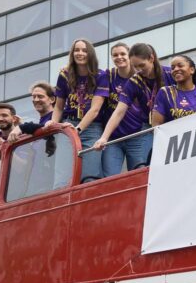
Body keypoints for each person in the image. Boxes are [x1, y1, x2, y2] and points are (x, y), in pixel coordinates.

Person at [94, 43, 174, 175]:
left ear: (151, 58)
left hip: (173, 124)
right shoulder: (134, 81)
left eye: (142, 65)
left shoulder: (169, 73)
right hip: (149, 128)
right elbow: (119, 111)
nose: (138, 70)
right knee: (142, 169)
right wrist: (104, 137)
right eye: (135, 66)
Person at [50, 38, 108, 183]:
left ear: (90, 54)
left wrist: (78, 129)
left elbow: (95, 109)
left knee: (90, 176)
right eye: (76, 50)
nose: (80, 53)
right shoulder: (64, 75)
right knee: (62, 178)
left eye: (84, 50)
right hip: (68, 125)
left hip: (92, 128)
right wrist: (53, 125)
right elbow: (58, 106)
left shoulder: (101, 76)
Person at [151, 55, 196, 125]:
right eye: (172, 68)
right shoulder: (165, 92)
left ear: (192, 70)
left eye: (180, 66)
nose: (175, 69)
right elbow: (156, 125)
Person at [101, 42, 132, 128]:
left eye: (123, 54)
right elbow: (92, 74)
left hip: (136, 132)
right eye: (115, 55)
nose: (119, 57)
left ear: (129, 55)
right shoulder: (108, 75)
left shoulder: (138, 77)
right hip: (113, 133)